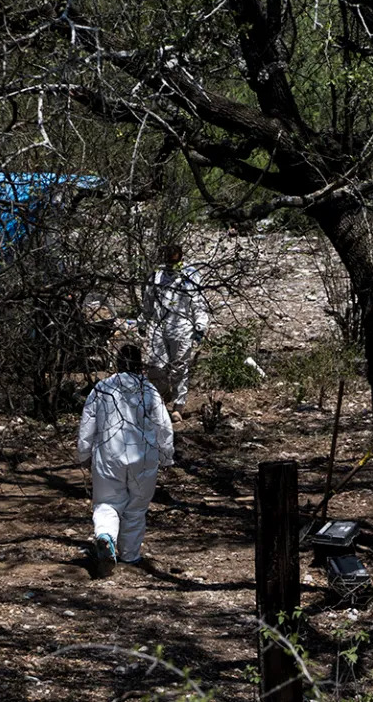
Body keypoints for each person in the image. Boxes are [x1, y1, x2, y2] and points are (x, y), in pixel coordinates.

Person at [77, 344, 174, 575]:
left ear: (117, 363)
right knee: (136, 508)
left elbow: (87, 424)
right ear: (140, 364)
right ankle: (130, 555)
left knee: (107, 503)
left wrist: (83, 454)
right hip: (144, 457)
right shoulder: (148, 390)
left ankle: (106, 536)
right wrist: (166, 457)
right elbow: (163, 425)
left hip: (108, 455)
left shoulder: (102, 388)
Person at [142, 243, 210, 422]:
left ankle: (178, 406)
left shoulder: (190, 276)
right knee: (156, 367)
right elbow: (148, 300)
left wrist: (200, 326)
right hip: (159, 326)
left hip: (182, 328)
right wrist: (143, 320)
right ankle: (160, 402)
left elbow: (198, 302)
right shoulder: (157, 275)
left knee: (179, 367)